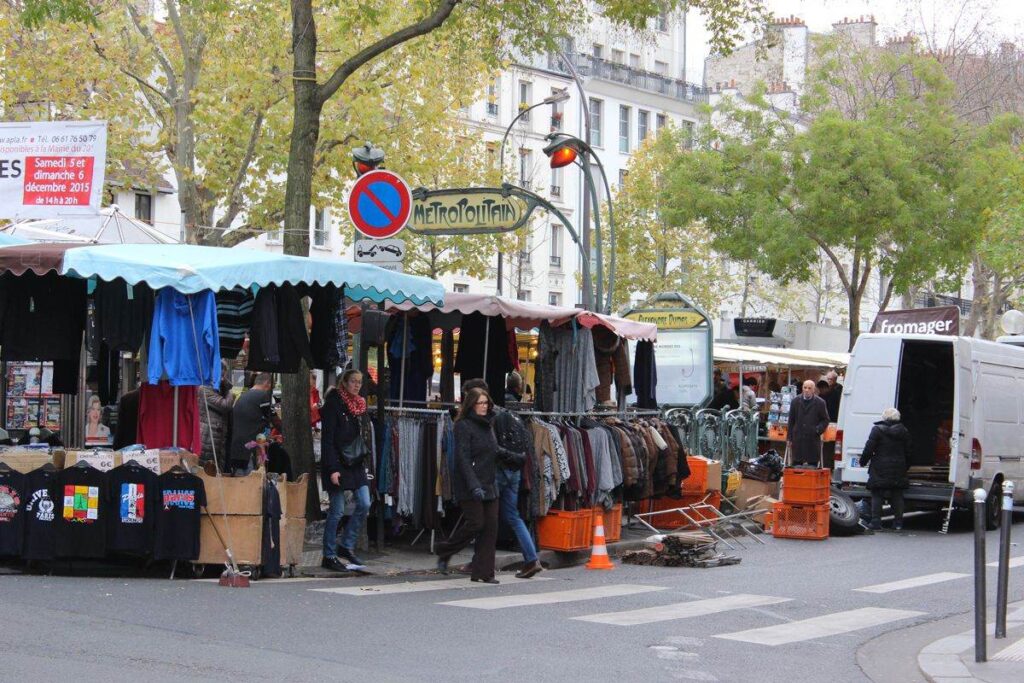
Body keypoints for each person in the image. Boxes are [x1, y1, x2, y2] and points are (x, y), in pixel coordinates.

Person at [461, 377, 541, 579]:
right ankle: (531, 559)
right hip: (513, 470)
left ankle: (478, 562)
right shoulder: (507, 414)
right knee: (512, 516)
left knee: (487, 517)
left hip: (496, 471)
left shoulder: (486, 417)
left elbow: (490, 449)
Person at [434, 387, 501, 583]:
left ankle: (484, 572)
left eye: (486, 403)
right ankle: (444, 550)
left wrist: (512, 457)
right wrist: (473, 486)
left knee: (491, 527)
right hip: (469, 484)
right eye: (480, 403)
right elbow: (462, 459)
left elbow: (493, 450)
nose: (484, 406)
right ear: (471, 404)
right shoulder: (463, 426)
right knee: (476, 523)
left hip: (489, 482)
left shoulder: (489, 423)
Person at [320, 369, 371, 571]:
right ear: (344, 382)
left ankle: (346, 545)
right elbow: (328, 439)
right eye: (353, 381)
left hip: (355, 462)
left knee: (365, 502)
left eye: (359, 382)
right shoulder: (334, 404)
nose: (357, 385)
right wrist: (332, 468)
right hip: (338, 463)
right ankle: (329, 554)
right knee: (337, 510)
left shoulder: (359, 406)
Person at [860, 407, 912, 531]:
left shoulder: (877, 430)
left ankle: (876, 522)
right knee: (897, 494)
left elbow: (869, 448)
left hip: (879, 466)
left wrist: (863, 461)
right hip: (898, 466)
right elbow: (909, 451)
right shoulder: (904, 431)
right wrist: (906, 465)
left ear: (884, 417)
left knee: (877, 493)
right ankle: (898, 523)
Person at [229, 373, 275, 473]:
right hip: (252, 451)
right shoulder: (263, 396)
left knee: (240, 482)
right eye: (272, 386)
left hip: (237, 449)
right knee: (253, 484)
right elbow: (273, 418)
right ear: (267, 383)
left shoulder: (242, 396)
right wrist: (282, 430)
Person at [199, 361, 235, 466]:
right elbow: (225, 405)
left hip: (217, 439)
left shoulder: (218, 389)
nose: (222, 378)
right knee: (207, 470)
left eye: (224, 375)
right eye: (221, 374)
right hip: (208, 438)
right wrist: (229, 391)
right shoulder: (204, 388)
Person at [786, 380, 830, 466]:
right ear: (802, 388)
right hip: (798, 439)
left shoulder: (820, 402)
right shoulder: (795, 401)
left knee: (812, 467)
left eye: (809, 388)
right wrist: (789, 438)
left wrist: (817, 430)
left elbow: (825, 419)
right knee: (796, 466)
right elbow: (791, 420)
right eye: (805, 387)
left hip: (812, 440)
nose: (807, 390)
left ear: (814, 390)